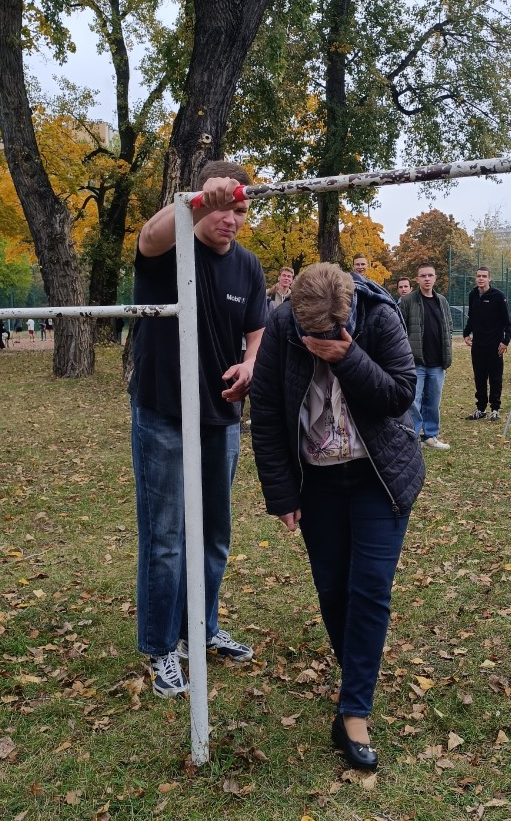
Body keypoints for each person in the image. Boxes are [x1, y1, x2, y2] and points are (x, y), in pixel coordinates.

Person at [251, 263, 424, 772]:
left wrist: (349, 359)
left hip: (379, 475)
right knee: (333, 590)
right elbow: (266, 411)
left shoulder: (379, 315)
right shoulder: (283, 326)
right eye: (314, 333)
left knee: (369, 589)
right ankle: (357, 681)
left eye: (331, 329)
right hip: (318, 479)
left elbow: (401, 393)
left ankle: (353, 713)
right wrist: (282, 494)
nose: (321, 338)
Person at [128, 161, 266, 698]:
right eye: (224, 209)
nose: (232, 220)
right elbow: (148, 235)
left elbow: (256, 332)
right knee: (165, 537)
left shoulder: (248, 266)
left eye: (240, 212)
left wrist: (251, 363)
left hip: (221, 416)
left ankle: (200, 630)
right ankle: (161, 647)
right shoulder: (171, 249)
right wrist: (197, 199)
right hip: (163, 411)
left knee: (213, 536)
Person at [399, 264, 451, 450]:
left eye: (430, 275)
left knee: (433, 402)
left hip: (437, 362)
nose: (427, 279)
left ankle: (430, 437)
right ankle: (411, 438)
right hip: (416, 362)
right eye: (423, 276)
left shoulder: (442, 301)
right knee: (413, 401)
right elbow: (400, 328)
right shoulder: (408, 301)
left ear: (435, 278)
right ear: (417, 279)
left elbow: (448, 326)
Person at [463, 268, 511, 420]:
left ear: (489, 279)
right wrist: (466, 333)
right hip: (478, 345)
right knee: (479, 377)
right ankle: (481, 409)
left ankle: (495, 409)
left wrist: (505, 341)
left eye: (484, 276)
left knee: (495, 378)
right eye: (478, 276)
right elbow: (471, 317)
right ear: (475, 278)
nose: (481, 279)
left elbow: (507, 322)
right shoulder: (473, 295)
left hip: (494, 345)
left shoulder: (498, 296)